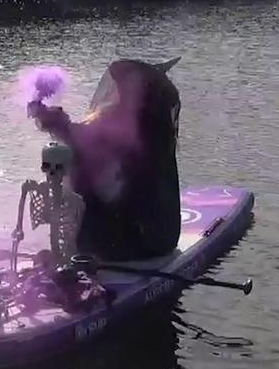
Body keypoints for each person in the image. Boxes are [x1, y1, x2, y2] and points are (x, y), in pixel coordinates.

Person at [26, 58, 182, 261]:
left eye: (125, 86)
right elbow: (88, 138)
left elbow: (97, 146)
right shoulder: (143, 123)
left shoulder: (148, 133)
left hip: (139, 241)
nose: (118, 90)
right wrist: (52, 119)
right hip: (113, 235)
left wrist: (59, 125)